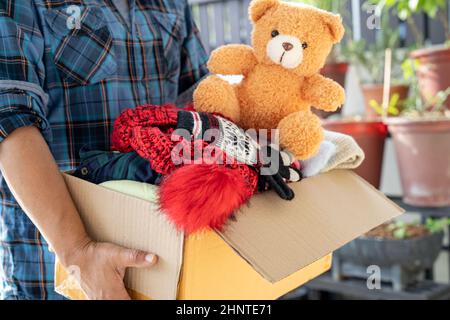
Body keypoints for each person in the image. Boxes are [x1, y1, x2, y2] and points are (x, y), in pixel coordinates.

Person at [0, 0, 208, 300]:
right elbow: (9, 120)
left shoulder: (172, 5)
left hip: (160, 264)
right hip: (54, 276)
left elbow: (198, 100)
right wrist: (78, 253)